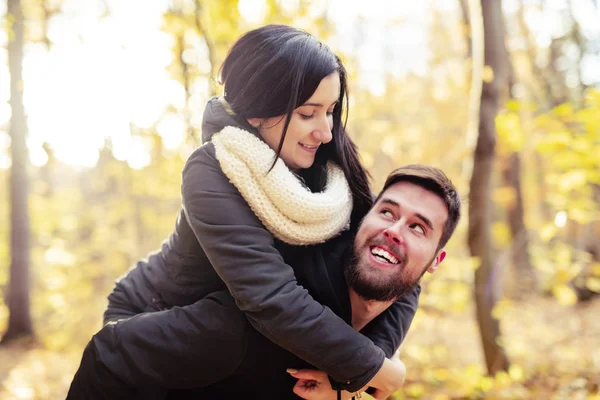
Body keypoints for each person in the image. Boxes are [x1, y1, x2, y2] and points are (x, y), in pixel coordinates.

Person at [79, 23, 414, 396]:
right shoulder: (213, 168)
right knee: (236, 328)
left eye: (332, 110)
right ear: (257, 112)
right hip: (159, 313)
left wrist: (372, 365)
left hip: (237, 332)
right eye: (308, 113)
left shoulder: (334, 163)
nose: (327, 131)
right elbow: (269, 297)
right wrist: (370, 369)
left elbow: (400, 263)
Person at [67, 164, 462, 400]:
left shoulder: (397, 288)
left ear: (435, 261)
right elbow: (111, 353)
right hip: (150, 311)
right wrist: (372, 373)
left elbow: (401, 304)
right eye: (388, 212)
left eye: (417, 228)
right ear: (362, 222)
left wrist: (352, 387)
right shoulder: (259, 321)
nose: (395, 231)